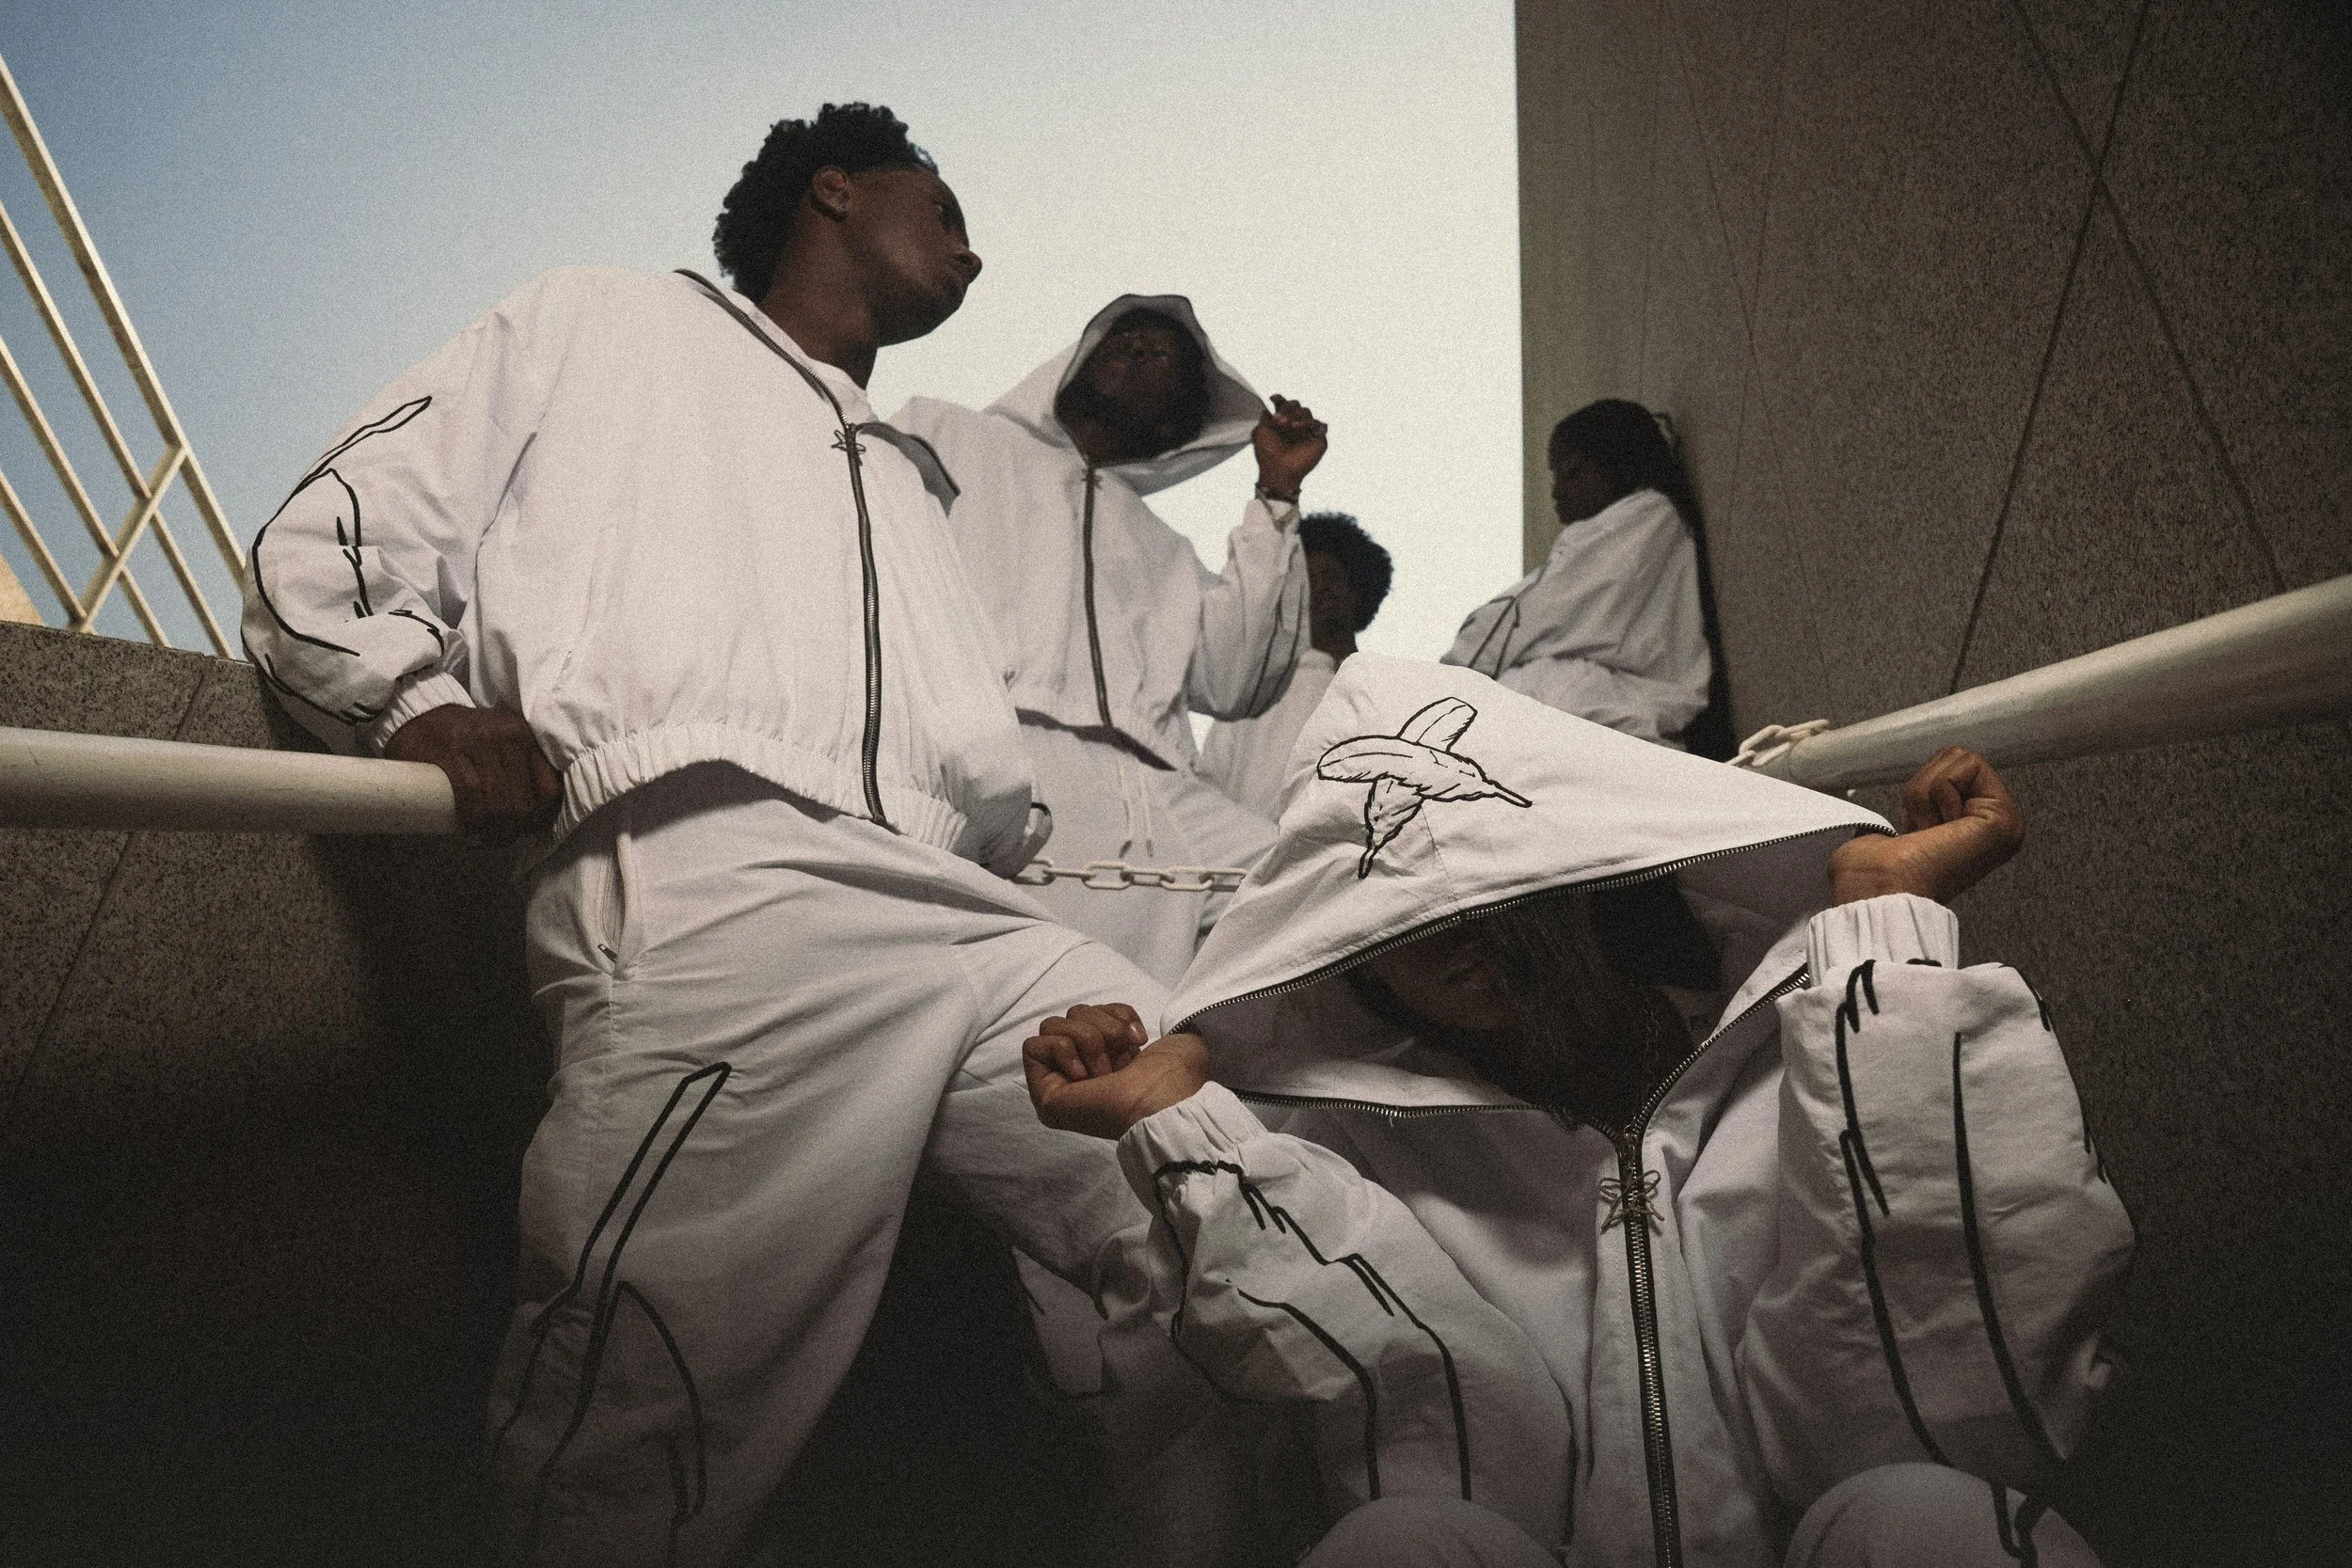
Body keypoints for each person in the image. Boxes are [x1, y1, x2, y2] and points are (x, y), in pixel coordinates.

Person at [241, 103, 1168, 1567]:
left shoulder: (909, 468)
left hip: (970, 913)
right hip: (715, 870)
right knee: (644, 1418)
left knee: (1228, 1190)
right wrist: (412, 696)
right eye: (946, 208)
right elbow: (337, 528)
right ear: (835, 190)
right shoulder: (601, 318)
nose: (975, 251)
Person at [1024, 657, 2133, 1568]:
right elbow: (1450, 1465)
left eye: (1487, 895)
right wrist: (1183, 1128)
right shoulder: (1344, 1141)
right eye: (1394, 923)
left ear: (1581, 877)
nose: (1452, 943)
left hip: (1830, 1529)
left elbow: (1952, 1400)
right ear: (1348, 958)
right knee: (1397, 1546)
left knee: (1929, 1515)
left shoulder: (1804, 1042)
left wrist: (1884, 933)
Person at [893, 296, 1327, 990]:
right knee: (1024, 996)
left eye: (1170, 360)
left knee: (1320, 890)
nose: (1143, 352)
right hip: (996, 750)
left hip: (1159, 790)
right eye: (1125, 339)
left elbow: (1238, 679)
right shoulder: (947, 433)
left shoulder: (1168, 551)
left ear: (1182, 423)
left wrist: (1277, 492)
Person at [1445, 399, 1735, 756]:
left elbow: (1529, 615)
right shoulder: (1650, 525)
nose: (1557, 491)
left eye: (1573, 473)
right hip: (1607, 730)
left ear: (1617, 465)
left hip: (1610, 726)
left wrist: (1450, 682)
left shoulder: (1639, 520)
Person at [1200, 510, 1392, 819]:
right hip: (1253, 843)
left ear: (1357, 588)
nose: (1322, 587)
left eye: (1331, 577)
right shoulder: (1256, 692)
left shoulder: (1384, 696)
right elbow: (1209, 785)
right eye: (1309, 581)